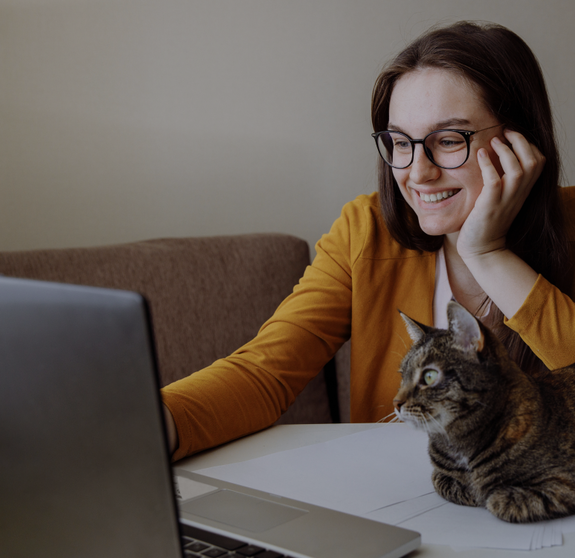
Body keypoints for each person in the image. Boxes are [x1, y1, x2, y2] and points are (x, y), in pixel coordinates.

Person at [162, 20, 575, 461]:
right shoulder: (365, 230)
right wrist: (146, 423)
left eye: (450, 139)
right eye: (400, 142)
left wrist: (488, 255)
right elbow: (264, 375)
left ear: (520, 140)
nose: (417, 173)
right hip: (397, 509)